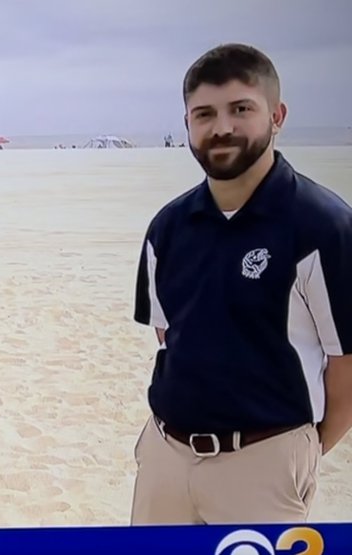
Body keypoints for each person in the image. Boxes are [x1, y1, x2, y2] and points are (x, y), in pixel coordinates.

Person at [131, 43, 352, 525]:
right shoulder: (167, 228)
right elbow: (169, 336)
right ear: (187, 124)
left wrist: (305, 448)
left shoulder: (323, 226)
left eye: (241, 109)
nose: (222, 127)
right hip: (166, 457)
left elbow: (347, 362)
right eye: (204, 113)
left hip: (264, 461)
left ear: (278, 115)